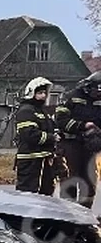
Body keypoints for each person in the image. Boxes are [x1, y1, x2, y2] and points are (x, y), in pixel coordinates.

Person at [55, 71, 101, 207]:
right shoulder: (70, 97)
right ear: (89, 87)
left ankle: (85, 217)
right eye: (97, 90)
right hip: (70, 145)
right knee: (70, 182)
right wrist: (83, 126)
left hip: (90, 147)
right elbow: (61, 120)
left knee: (90, 183)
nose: (98, 94)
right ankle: (69, 219)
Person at [15, 77, 60, 195]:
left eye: (45, 93)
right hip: (30, 161)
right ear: (31, 93)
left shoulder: (42, 111)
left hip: (43, 160)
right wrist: (51, 138)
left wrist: (56, 133)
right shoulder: (26, 110)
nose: (43, 96)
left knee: (46, 193)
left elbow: (51, 127)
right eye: (40, 93)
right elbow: (29, 135)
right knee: (28, 194)